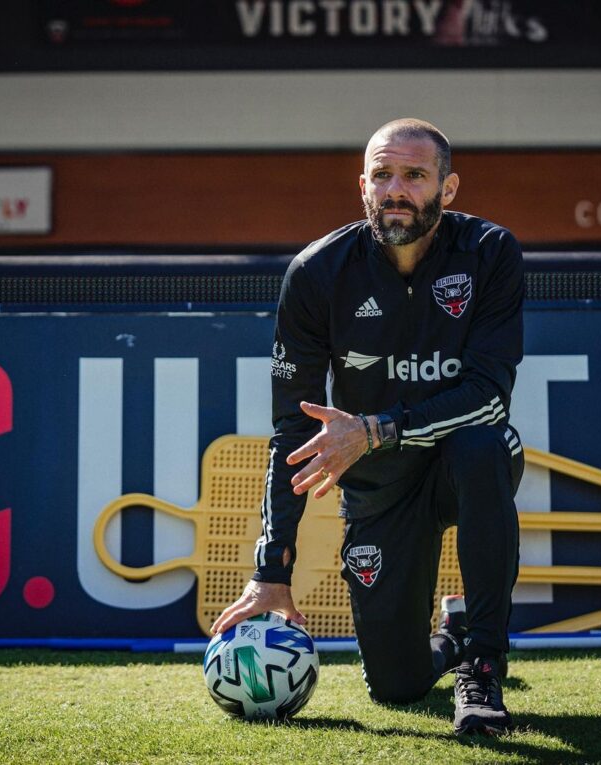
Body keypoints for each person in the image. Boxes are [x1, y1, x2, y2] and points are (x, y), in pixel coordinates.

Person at [211, 118, 524, 737]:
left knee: (483, 443)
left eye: (413, 175)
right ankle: (452, 639)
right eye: (382, 175)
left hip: (459, 463)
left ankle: (483, 665)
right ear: (362, 186)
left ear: (449, 187)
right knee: (396, 686)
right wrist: (272, 571)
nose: (395, 190)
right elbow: (291, 429)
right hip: (379, 494)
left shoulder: (490, 252)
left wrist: (375, 429)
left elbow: (488, 396)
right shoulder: (317, 273)